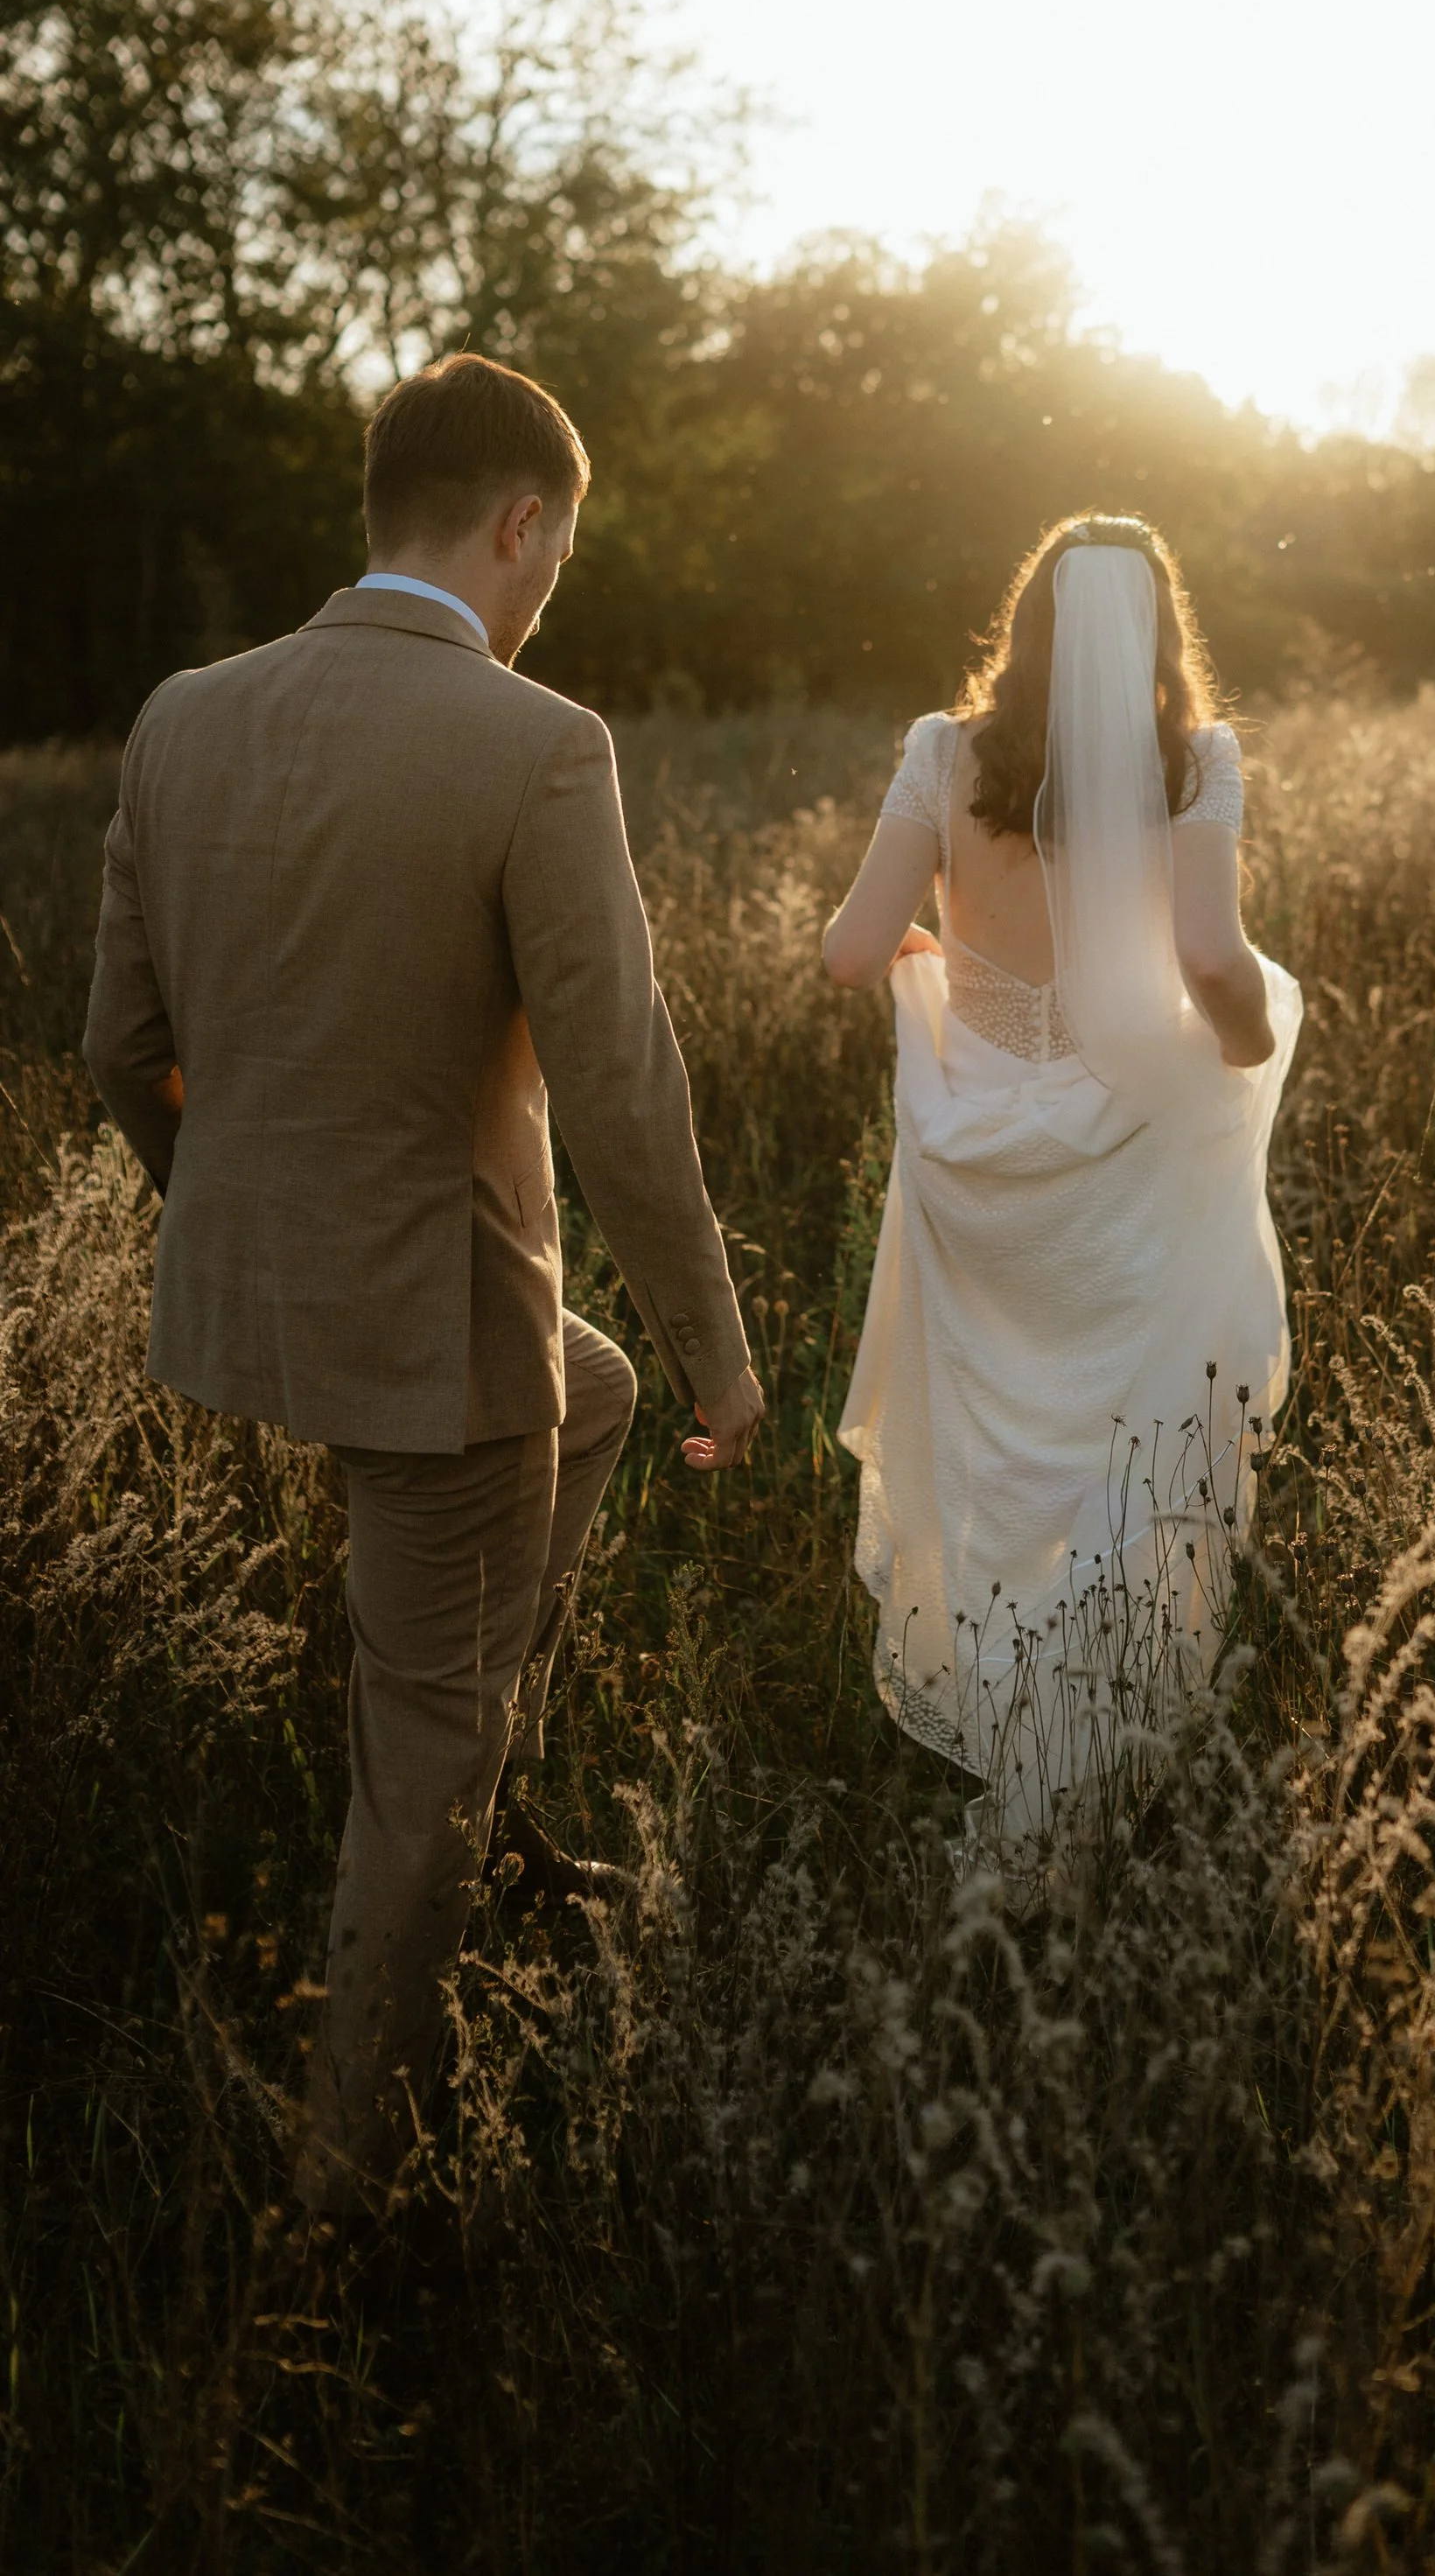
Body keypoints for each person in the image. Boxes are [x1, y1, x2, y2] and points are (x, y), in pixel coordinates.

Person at [82, 353, 765, 2217]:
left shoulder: (182, 716)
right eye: (560, 559)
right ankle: (340, 2205)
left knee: (588, 1393)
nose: (550, 599)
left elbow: (121, 1043)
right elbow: (618, 1089)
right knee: (420, 1765)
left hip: (257, 1294)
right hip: (435, 1336)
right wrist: (719, 1352)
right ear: (520, 525)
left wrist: (236, 1211)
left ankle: (475, 1758)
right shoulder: (536, 741)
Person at [824, 513, 1300, 1877]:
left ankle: (1008, 1715)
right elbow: (1212, 958)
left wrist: (941, 954)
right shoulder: (1195, 762)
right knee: (1126, 1449)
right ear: (1158, 631)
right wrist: (1251, 1046)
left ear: (1026, 624)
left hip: (977, 1165)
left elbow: (851, 955)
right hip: (1125, 1155)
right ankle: (1090, 1756)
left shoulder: (941, 752)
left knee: (998, 1453)